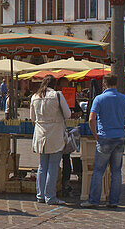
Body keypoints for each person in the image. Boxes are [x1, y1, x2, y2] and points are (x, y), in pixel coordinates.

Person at [80, 74, 125, 209]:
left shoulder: (99, 99)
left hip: (105, 137)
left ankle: (93, 200)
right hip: (119, 137)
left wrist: (95, 133)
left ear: (104, 84)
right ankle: (113, 201)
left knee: (99, 170)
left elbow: (92, 119)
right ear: (116, 83)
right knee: (116, 171)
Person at [30, 75, 71, 205]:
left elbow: (32, 117)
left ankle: (40, 194)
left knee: (42, 165)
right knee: (53, 165)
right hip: (55, 133)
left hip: (40, 132)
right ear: (55, 84)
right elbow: (68, 114)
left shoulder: (35, 96)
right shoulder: (57, 95)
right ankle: (50, 196)